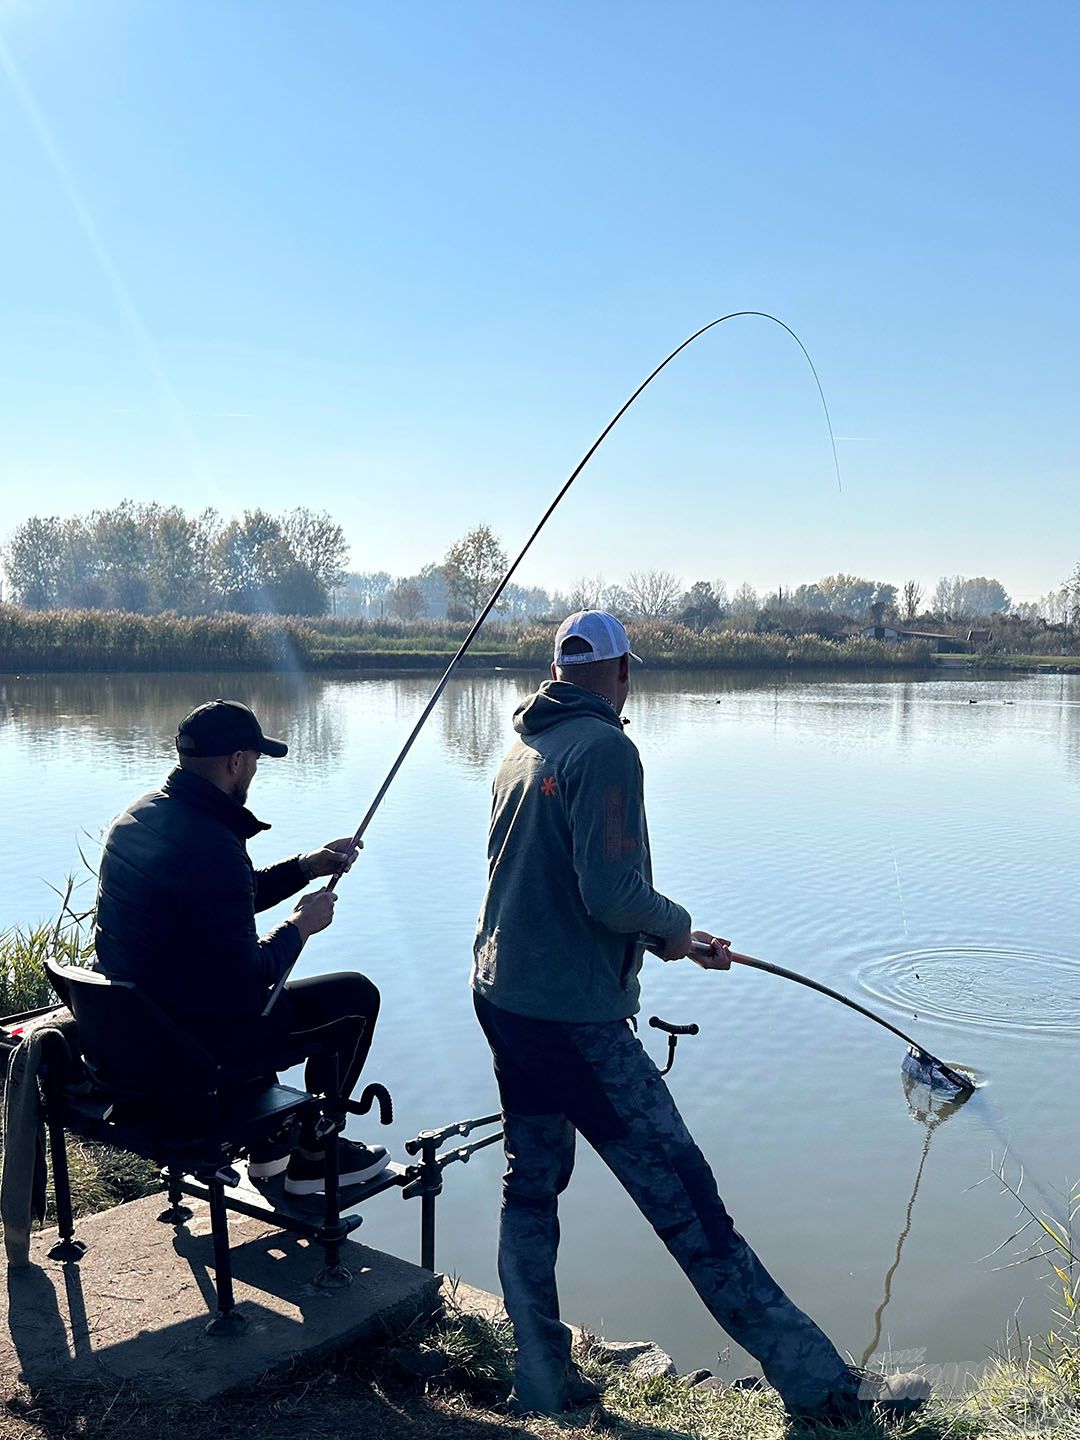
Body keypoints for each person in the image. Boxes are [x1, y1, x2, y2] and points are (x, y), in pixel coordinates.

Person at [471, 611, 928, 1422]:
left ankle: (541, 1378)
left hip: (504, 998)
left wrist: (673, 939)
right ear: (620, 675)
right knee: (688, 1199)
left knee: (530, 1187)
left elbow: (554, 890)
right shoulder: (606, 747)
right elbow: (609, 895)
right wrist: (675, 927)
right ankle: (827, 1393)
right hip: (575, 1021)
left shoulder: (521, 747)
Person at [94, 698, 389, 1195]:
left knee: (260, 1000)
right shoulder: (212, 842)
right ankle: (309, 1150)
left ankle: (275, 1141)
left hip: (139, 1030)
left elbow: (222, 898)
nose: (255, 769)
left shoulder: (142, 815)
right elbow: (248, 978)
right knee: (356, 998)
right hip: (193, 1050)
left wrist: (304, 867)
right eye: (254, 759)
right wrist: (301, 926)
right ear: (236, 761)